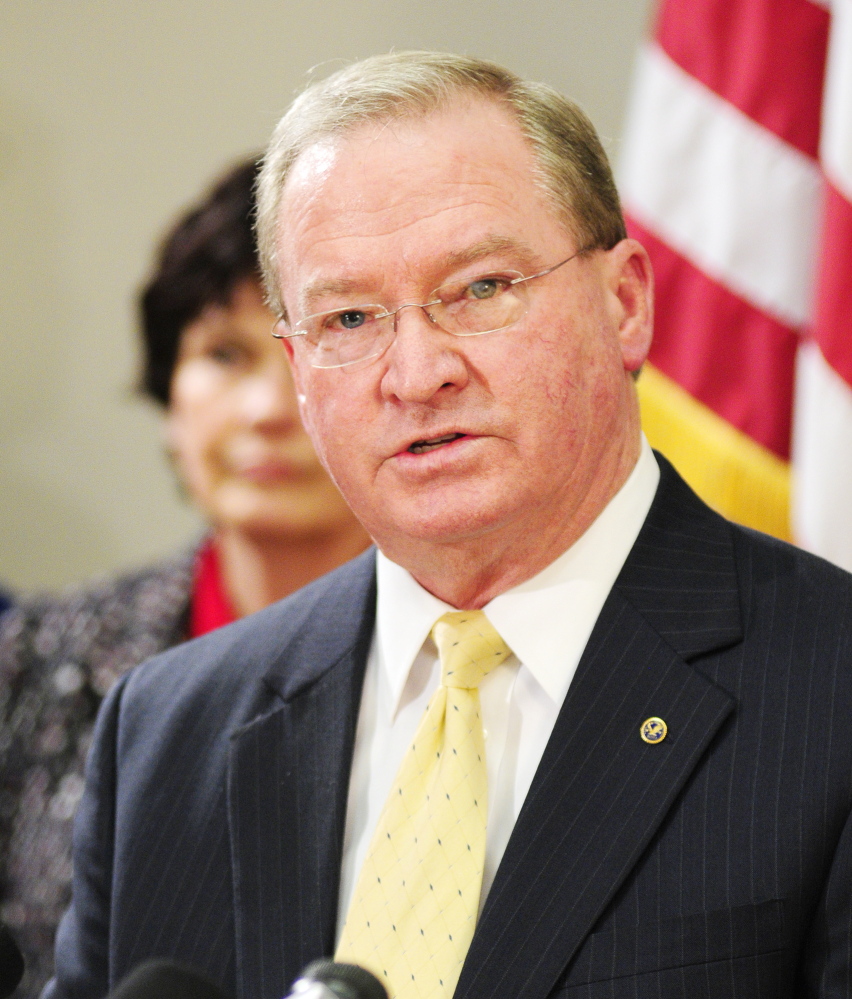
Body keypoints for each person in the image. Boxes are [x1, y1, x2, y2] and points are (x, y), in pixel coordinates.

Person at [47, 52, 852, 999]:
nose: (416, 371)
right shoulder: (168, 728)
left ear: (626, 302)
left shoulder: (829, 687)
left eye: (480, 290)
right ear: (300, 370)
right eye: (349, 318)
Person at [0, 159, 369, 999]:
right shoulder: (34, 656)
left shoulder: (462, 655)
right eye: (224, 353)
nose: (267, 409)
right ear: (168, 394)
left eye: (312, 349)